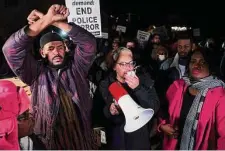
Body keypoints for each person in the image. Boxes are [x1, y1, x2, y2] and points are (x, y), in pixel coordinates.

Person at [2, 5, 96, 150]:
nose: (57, 52)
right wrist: (45, 20)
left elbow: (88, 43)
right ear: (42, 52)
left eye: (60, 47)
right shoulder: (35, 73)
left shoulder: (77, 68)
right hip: (48, 143)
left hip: (81, 141)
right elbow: (10, 49)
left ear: (65, 49)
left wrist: (55, 22)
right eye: (51, 49)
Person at [158, 49, 225, 150]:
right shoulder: (177, 86)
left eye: (202, 62)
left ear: (210, 66)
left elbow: (223, 136)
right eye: (193, 61)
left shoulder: (219, 95)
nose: (196, 65)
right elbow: (162, 110)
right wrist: (162, 125)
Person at [99, 47, 159, 150]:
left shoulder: (144, 80)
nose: (129, 68)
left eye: (131, 63)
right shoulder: (106, 84)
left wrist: (138, 89)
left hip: (140, 139)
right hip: (117, 138)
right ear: (114, 67)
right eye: (123, 64)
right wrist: (110, 110)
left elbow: (155, 107)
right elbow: (100, 112)